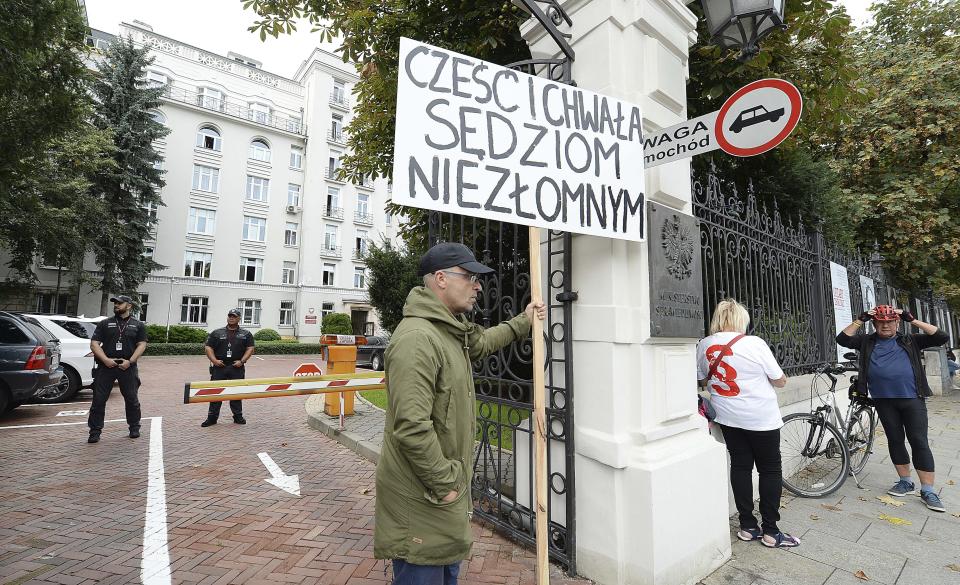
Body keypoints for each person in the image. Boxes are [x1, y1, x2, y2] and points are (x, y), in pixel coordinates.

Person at [373, 242, 546, 584]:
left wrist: (523, 321)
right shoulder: (418, 339)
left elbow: (483, 342)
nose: (478, 285)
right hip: (424, 500)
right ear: (440, 279)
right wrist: (447, 485)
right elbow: (410, 427)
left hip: (441, 501)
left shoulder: (450, 330)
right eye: (469, 277)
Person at [697, 298, 800, 548]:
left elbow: (700, 380)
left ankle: (747, 526)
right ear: (742, 320)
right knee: (770, 470)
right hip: (760, 417)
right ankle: (771, 531)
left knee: (741, 466)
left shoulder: (704, 344)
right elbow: (779, 380)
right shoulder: (754, 343)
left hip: (728, 416)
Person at [837, 305, 948, 512]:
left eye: (889, 321)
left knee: (918, 440)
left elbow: (941, 337)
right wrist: (860, 319)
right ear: (875, 323)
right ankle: (905, 481)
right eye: (881, 321)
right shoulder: (867, 341)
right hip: (883, 400)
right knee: (895, 440)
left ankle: (928, 490)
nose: (885, 325)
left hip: (912, 398)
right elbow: (842, 339)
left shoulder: (910, 340)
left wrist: (911, 319)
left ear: (897, 323)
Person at [87, 295, 147, 443]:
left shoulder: (138, 325)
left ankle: (134, 427)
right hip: (106, 366)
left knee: (132, 399)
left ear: (129, 306)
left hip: (127, 366)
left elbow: (142, 345)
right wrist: (105, 360)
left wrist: (131, 361)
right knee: (98, 400)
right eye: (115, 303)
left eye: (120, 303)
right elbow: (94, 344)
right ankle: (95, 431)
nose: (116, 305)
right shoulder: (105, 324)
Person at [201, 308, 255, 427]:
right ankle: (212, 418)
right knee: (215, 393)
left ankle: (238, 416)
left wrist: (242, 361)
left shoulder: (246, 334)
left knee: (236, 392)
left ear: (239, 318)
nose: (231, 318)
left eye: (234, 316)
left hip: (237, 367)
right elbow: (208, 347)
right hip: (219, 366)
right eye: (230, 316)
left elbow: (250, 348)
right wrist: (214, 361)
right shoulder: (216, 333)